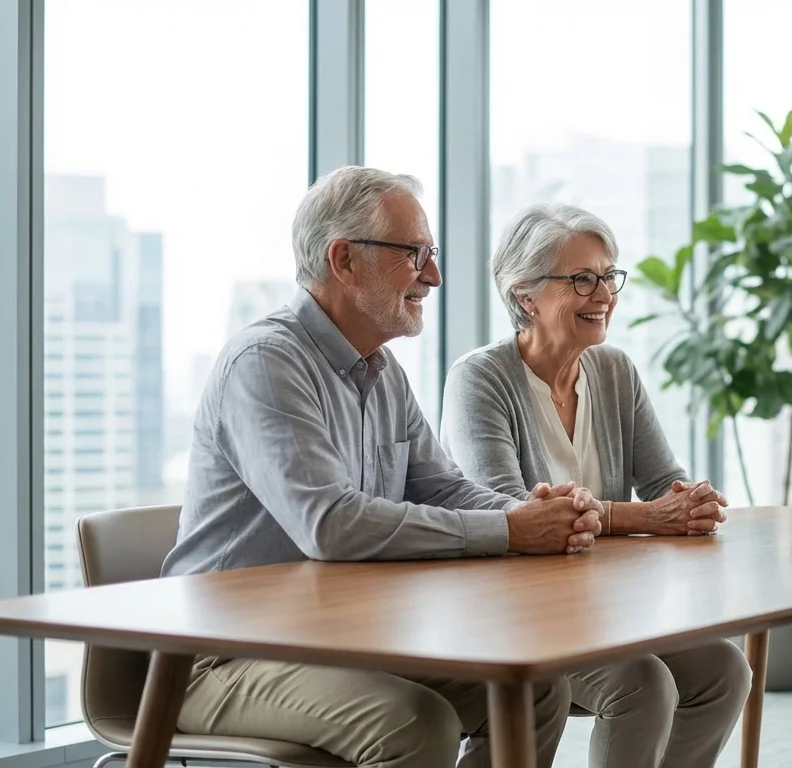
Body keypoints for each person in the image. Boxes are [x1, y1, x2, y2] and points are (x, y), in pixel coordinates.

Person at [162, 167, 603, 768]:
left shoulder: (382, 371)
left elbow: (443, 487)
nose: (434, 276)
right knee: (414, 724)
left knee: (535, 691)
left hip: (335, 639)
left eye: (433, 254)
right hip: (219, 657)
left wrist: (528, 513)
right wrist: (512, 531)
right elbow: (331, 525)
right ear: (343, 259)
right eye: (414, 254)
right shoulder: (266, 362)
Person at [440, 203, 751, 768]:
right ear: (525, 294)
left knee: (725, 669)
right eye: (582, 278)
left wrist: (691, 500)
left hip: (606, 610)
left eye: (608, 276)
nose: (603, 292)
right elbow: (509, 516)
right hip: (513, 614)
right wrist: (646, 517)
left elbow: (664, 483)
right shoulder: (478, 379)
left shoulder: (614, 370)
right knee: (642, 684)